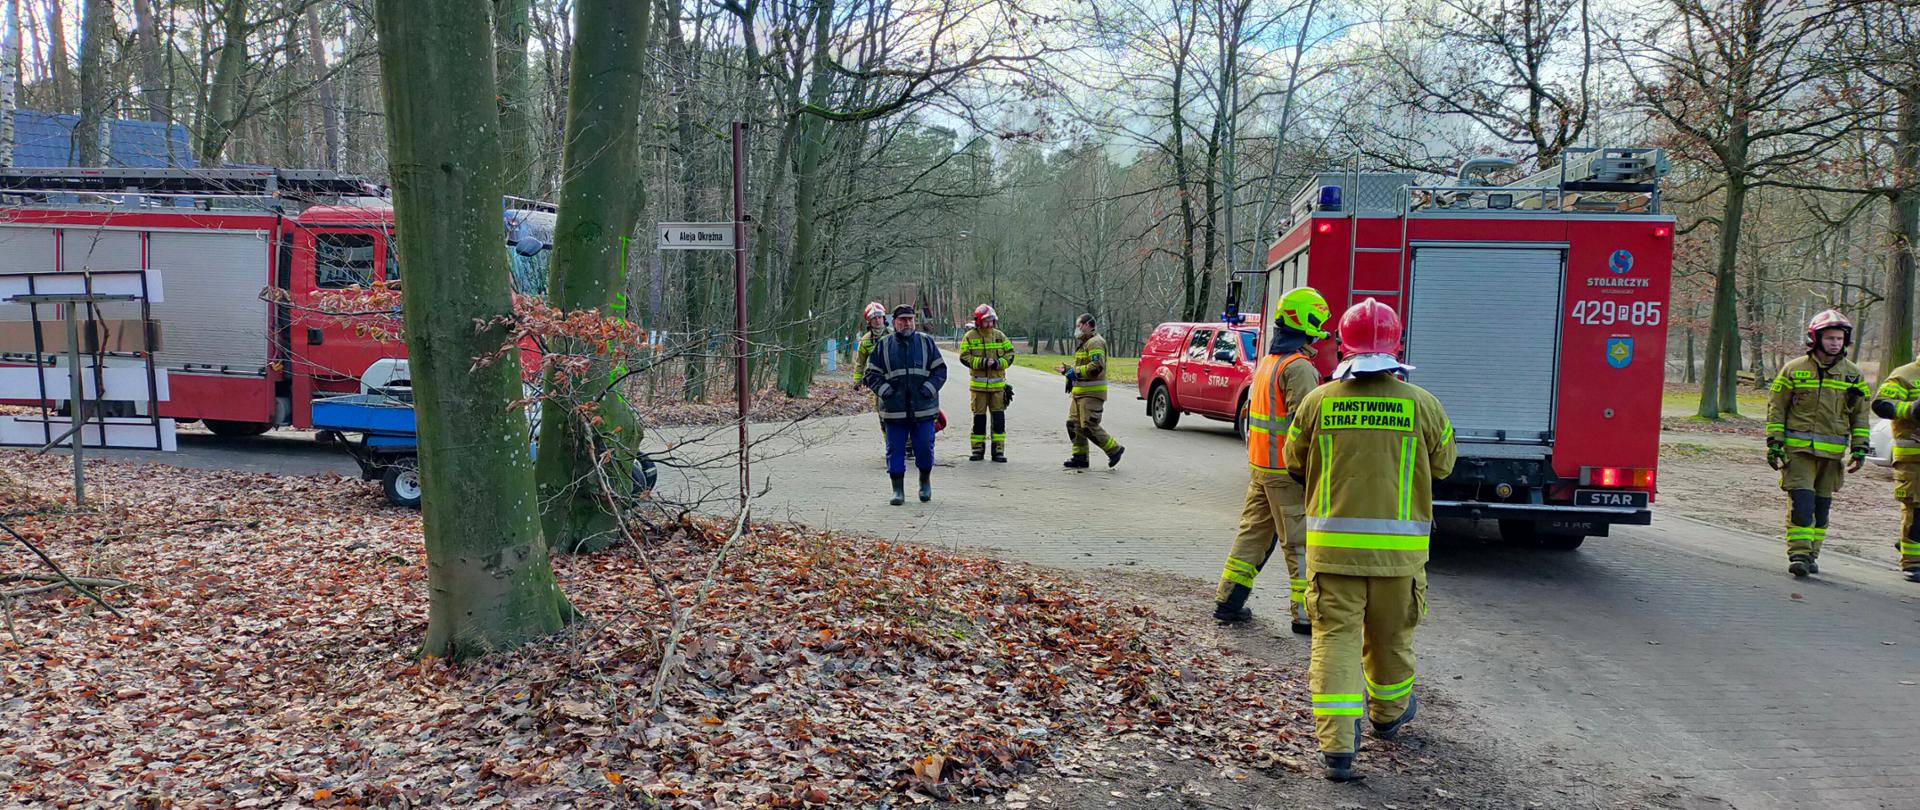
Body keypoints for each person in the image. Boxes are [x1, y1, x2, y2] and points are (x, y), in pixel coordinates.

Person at [1284, 298, 1455, 782]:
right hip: (1399, 560)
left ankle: (1337, 749)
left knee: (1334, 643)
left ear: (1343, 346)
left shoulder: (1319, 401)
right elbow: (1444, 465)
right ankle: (1388, 715)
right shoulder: (1423, 404)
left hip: (1333, 557)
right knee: (1391, 639)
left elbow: (1293, 462)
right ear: (1396, 347)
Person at [1214, 288, 1333, 633]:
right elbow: (1305, 427)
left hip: (1261, 469)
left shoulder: (1268, 363)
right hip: (1287, 473)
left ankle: (1228, 601)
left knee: (1252, 535)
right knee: (1299, 545)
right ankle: (1304, 616)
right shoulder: (1299, 368)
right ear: (1306, 323)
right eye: (1318, 320)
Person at [1767, 310, 1869, 578]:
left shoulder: (1853, 375)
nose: (1835, 343)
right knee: (1802, 503)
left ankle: (1812, 553)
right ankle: (1799, 554)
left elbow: (1860, 415)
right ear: (1815, 338)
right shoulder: (1794, 369)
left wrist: (1860, 447)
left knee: (1821, 508)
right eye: (1830, 338)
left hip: (1832, 456)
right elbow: (1777, 408)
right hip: (1798, 452)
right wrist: (1774, 442)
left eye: (1839, 338)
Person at [862, 305, 947, 505]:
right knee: (895, 450)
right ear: (894, 322)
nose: (907, 323)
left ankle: (924, 482)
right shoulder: (883, 346)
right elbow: (871, 374)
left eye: (910, 319)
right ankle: (897, 490)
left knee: (924, 447)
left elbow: (940, 371)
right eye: (903, 320)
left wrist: (928, 389)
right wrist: (886, 392)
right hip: (894, 410)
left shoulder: (926, 343)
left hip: (923, 409)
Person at [1869, 358, 1920, 583]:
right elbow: (1881, 404)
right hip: (1914, 456)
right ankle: (1913, 563)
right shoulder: (1905, 375)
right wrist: (1911, 409)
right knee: (1917, 509)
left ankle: (1908, 541)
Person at [1057, 313, 1124, 469]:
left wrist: (1075, 372)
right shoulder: (1085, 342)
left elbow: (1096, 366)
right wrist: (1068, 370)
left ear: (1087, 325)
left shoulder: (1095, 343)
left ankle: (1114, 449)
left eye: (1079, 325)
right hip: (1079, 393)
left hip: (1092, 393)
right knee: (1073, 424)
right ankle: (1080, 457)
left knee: (1088, 425)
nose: (1077, 329)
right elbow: (1082, 367)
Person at [960, 304, 1016, 462]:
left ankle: (998, 451)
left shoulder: (999, 336)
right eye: (986, 321)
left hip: (998, 388)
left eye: (991, 320)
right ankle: (977, 450)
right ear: (979, 321)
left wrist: (998, 363)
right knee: (979, 420)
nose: (989, 324)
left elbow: (1010, 354)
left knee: (998, 420)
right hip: (978, 389)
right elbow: (964, 357)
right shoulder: (970, 336)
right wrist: (983, 362)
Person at [852, 302, 890, 453]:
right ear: (869, 321)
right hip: (879, 383)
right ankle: (890, 444)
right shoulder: (866, 341)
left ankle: (908, 445)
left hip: (898, 379)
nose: (878, 320)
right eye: (874, 318)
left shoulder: (894, 335)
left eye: (880, 317)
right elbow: (860, 363)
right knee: (883, 414)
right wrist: (857, 380)